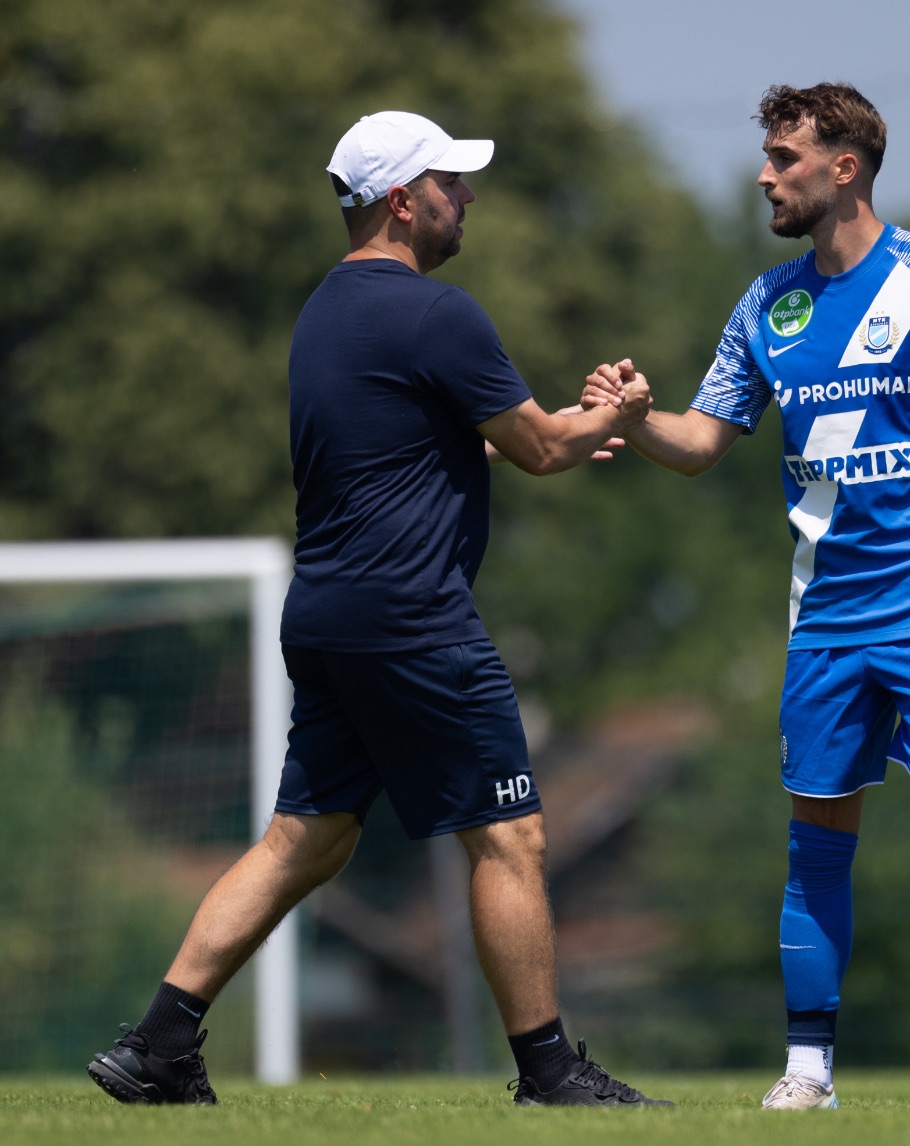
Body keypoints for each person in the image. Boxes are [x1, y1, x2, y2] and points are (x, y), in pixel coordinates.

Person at [88, 110, 669, 1108]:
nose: (466, 197)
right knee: (511, 836)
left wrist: (558, 429)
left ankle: (157, 1045)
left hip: (326, 617)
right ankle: (549, 1071)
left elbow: (415, 446)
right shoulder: (440, 314)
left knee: (306, 839)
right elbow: (538, 448)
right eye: (449, 182)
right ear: (402, 200)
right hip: (414, 620)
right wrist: (616, 412)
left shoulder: (323, 312)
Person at [584, 83, 910, 1110]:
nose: (764, 176)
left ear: (842, 167)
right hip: (824, 620)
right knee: (815, 844)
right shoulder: (767, 303)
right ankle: (806, 1072)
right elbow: (700, 443)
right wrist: (634, 419)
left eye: (784, 158)